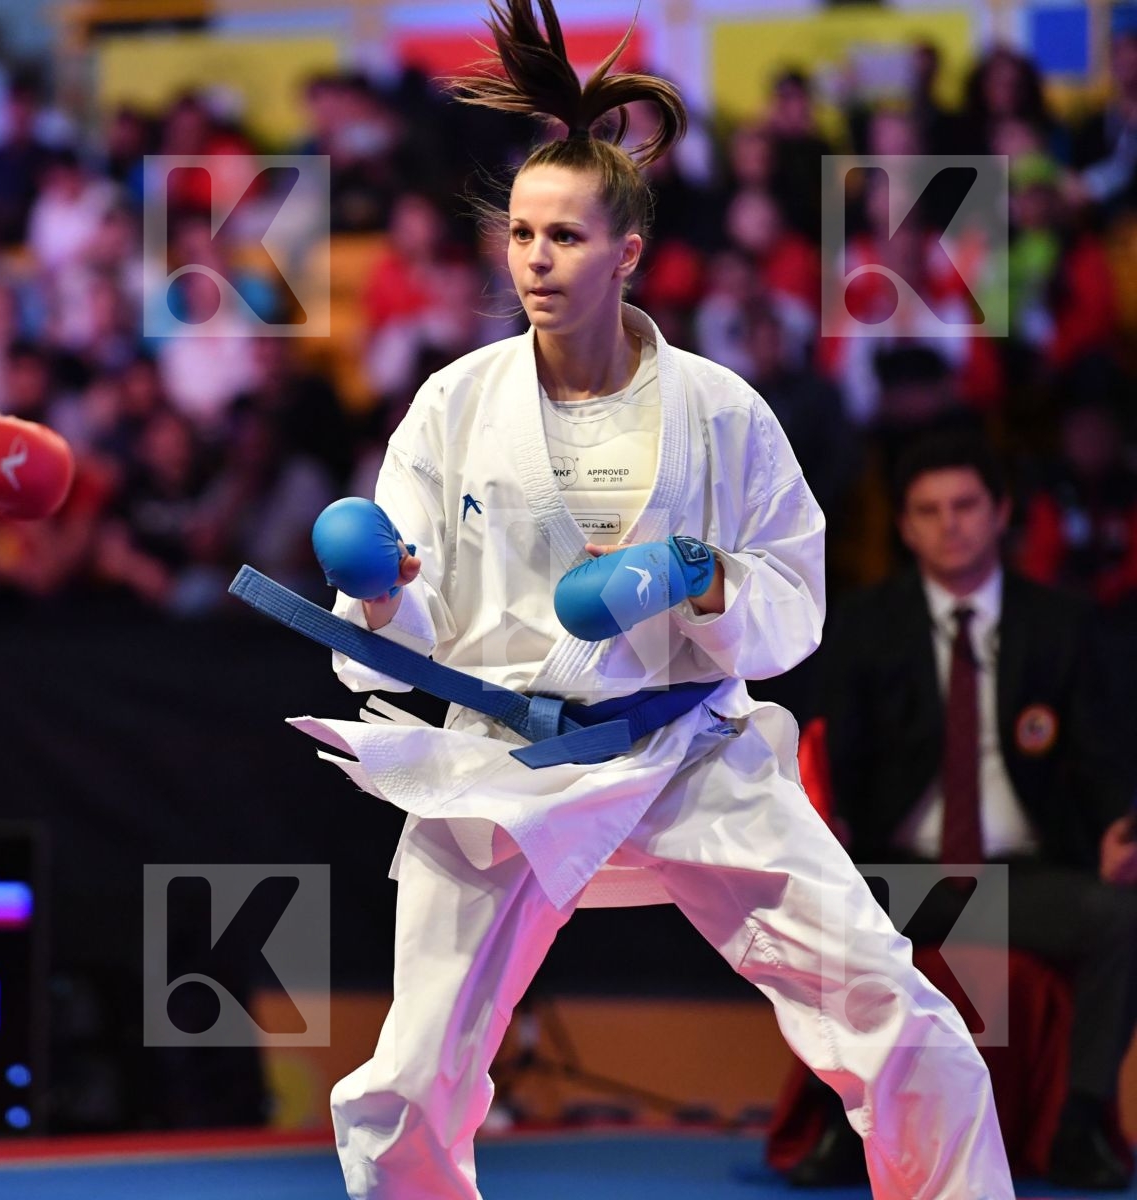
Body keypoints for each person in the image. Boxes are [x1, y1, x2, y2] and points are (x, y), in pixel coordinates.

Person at [280, 3, 1014, 1196]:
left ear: (627, 253)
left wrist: (702, 576)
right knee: (409, 1082)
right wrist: (383, 599)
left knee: (902, 1017)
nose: (534, 261)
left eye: (564, 238)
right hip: (508, 760)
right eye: (520, 235)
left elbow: (796, 604)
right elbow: (403, 651)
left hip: (685, 751)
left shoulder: (722, 411)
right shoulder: (454, 408)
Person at [820, 432, 1137, 1190]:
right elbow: (837, 759)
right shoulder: (867, 626)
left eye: (966, 505)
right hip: (905, 875)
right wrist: (825, 823)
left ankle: (1079, 1123)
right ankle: (842, 1124)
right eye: (928, 511)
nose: (949, 524)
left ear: (1001, 513)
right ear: (903, 526)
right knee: (822, 911)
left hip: (1023, 874)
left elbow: (1102, 758)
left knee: (1122, 916)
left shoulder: (1063, 626)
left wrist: (1118, 829)